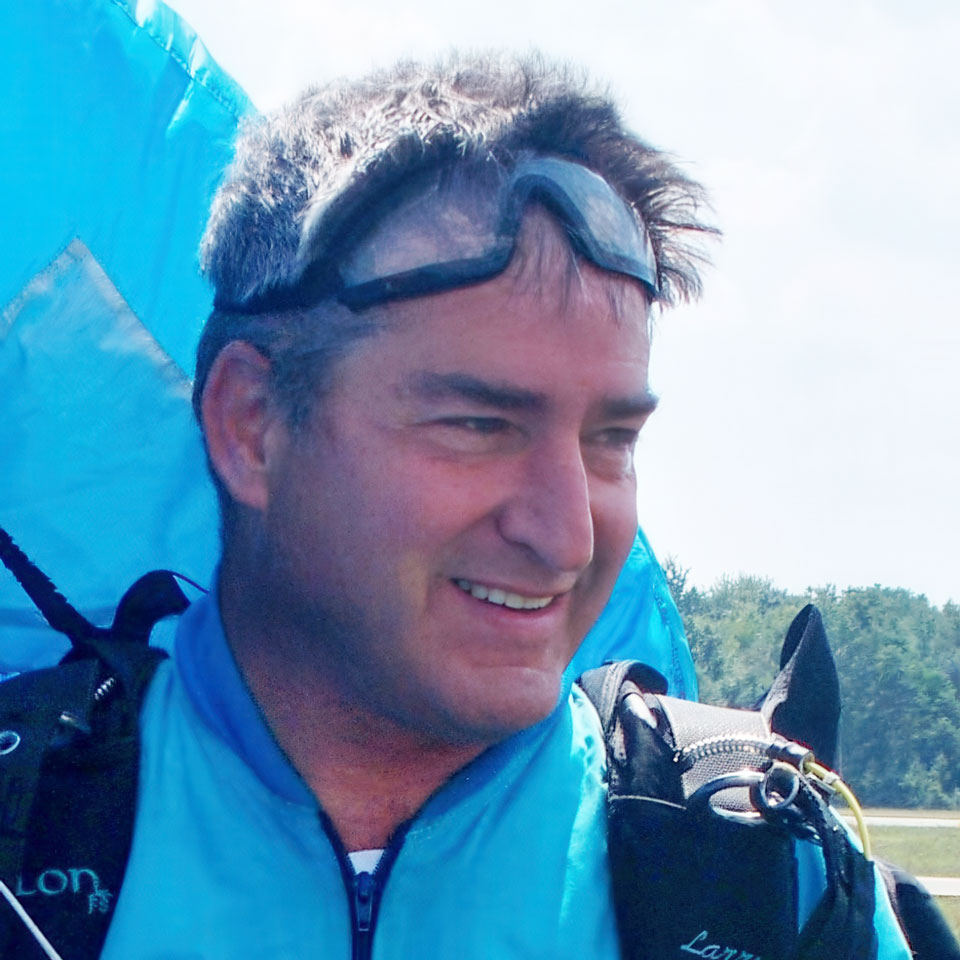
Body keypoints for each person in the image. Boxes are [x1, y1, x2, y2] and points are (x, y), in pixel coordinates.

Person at [85, 54, 910, 958]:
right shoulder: (34, 844)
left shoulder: (758, 871)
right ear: (252, 426)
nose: (566, 537)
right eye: (481, 424)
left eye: (611, 440)